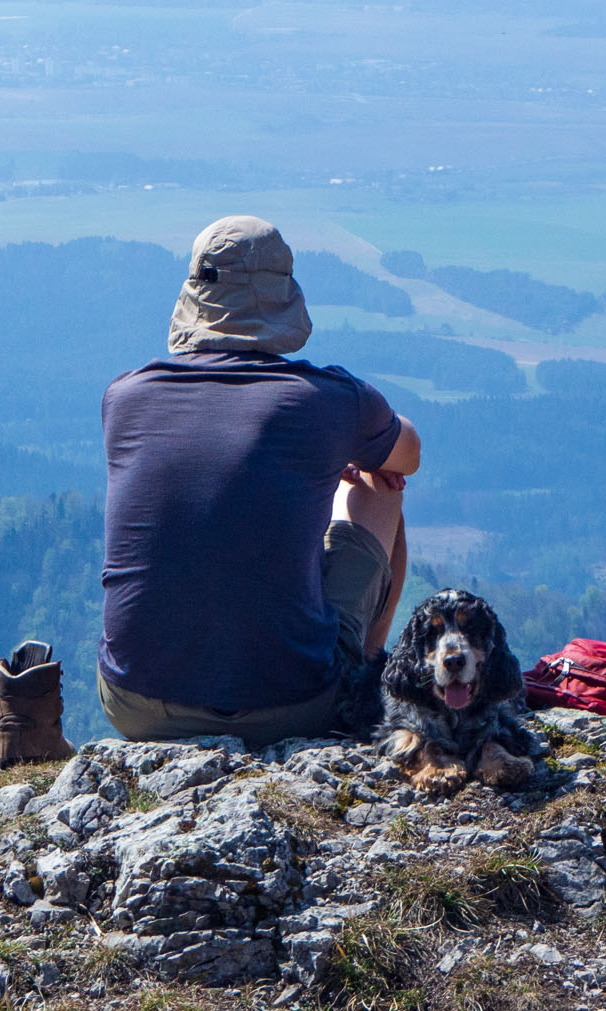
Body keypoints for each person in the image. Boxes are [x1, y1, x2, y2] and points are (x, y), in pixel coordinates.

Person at [96, 215, 422, 749]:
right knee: (379, 482)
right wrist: (343, 446)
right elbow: (407, 456)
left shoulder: (125, 397)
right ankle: (362, 677)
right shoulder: (331, 399)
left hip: (136, 704)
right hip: (292, 708)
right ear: (285, 297)